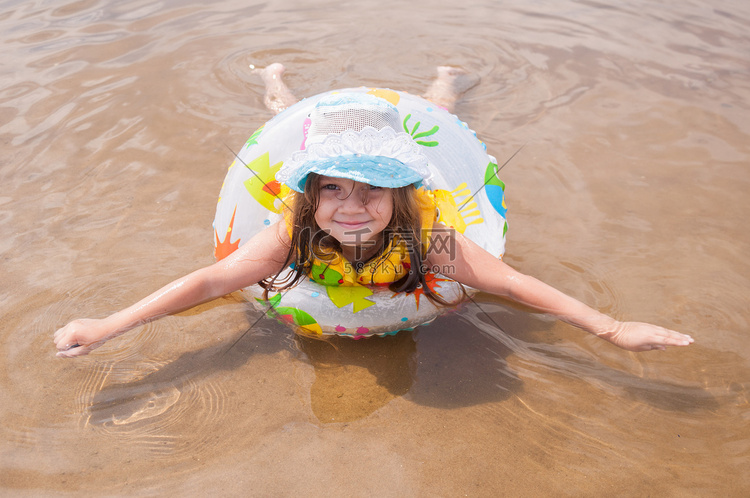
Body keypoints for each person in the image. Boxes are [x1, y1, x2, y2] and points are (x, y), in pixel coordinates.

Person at [54, 64, 694, 358]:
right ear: (311, 195)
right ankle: (275, 81)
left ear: (398, 196)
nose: (351, 208)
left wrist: (612, 330)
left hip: (405, 131)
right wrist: (107, 325)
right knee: (285, 115)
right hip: (315, 127)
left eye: (371, 192)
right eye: (332, 190)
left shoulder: (429, 237)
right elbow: (212, 280)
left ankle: (444, 78)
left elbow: (513, 283)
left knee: (438, 111)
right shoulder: (295, 226)